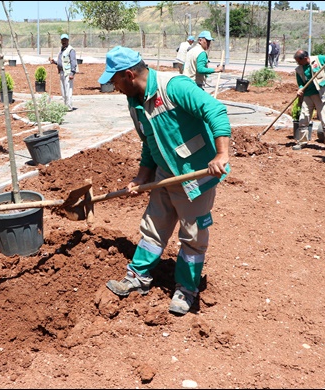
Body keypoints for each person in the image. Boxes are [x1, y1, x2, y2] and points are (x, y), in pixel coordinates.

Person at [98, 46, 231, 316]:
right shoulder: (135, 100)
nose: (114, 86)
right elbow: (149, 141)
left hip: (195, 175)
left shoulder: (174, 86)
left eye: (114, 80)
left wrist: (221, 154)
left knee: (193, 236)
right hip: (164, 174)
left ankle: (186, 288)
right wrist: (142, 176)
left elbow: (215, 110)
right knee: (153, 227)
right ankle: (138, 277)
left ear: (128, 75)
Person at [292, 49, 325, 153]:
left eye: (299, 61)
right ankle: (302, 141)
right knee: (303, 118)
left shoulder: (318, 59)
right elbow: (301, 83)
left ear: (305, 58)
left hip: (321, 95)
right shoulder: (299, 69)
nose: (298, 63)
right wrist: (300, 89)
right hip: (307, 96)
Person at [49, 33, 77, 111]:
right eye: (62, 40)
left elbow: (73, 62)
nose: (64, 41)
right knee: (63, 90)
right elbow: (61, 62)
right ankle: (65, 106)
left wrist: (72, 73)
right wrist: (54, 62)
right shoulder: (61, 50)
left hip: (68, 73)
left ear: (68, 40)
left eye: (65, 40)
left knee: (68, 90)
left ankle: (69, 106)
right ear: (61, 41)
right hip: (61, 72)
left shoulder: (71, 50)